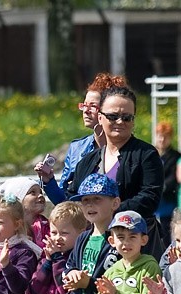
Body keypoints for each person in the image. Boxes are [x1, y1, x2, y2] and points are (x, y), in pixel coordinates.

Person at [67, 85, 165, 260]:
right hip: (94, 246)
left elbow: (150, 197)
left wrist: (110, 212)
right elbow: (72, 198)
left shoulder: (146, 155)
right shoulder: (87, 161)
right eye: (113, 116)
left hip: (135, 249)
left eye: (127, 117)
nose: (120, 122)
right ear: (100, 117)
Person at [36, 73, 128, 205]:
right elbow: (65, 202)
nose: (86, 110)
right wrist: (48, 180)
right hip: (83, 223)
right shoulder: (77, 148)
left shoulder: (132, 151)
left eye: (92, 106)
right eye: (84, 105)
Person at [153, 122, 181, 245]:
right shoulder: (151, 154)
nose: (162, 139)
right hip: (153, 199)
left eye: (166, 136)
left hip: (167, 200)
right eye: (160, 135)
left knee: (166, 230)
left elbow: (173, 178)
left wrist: (160, 187)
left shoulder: (175, 156)